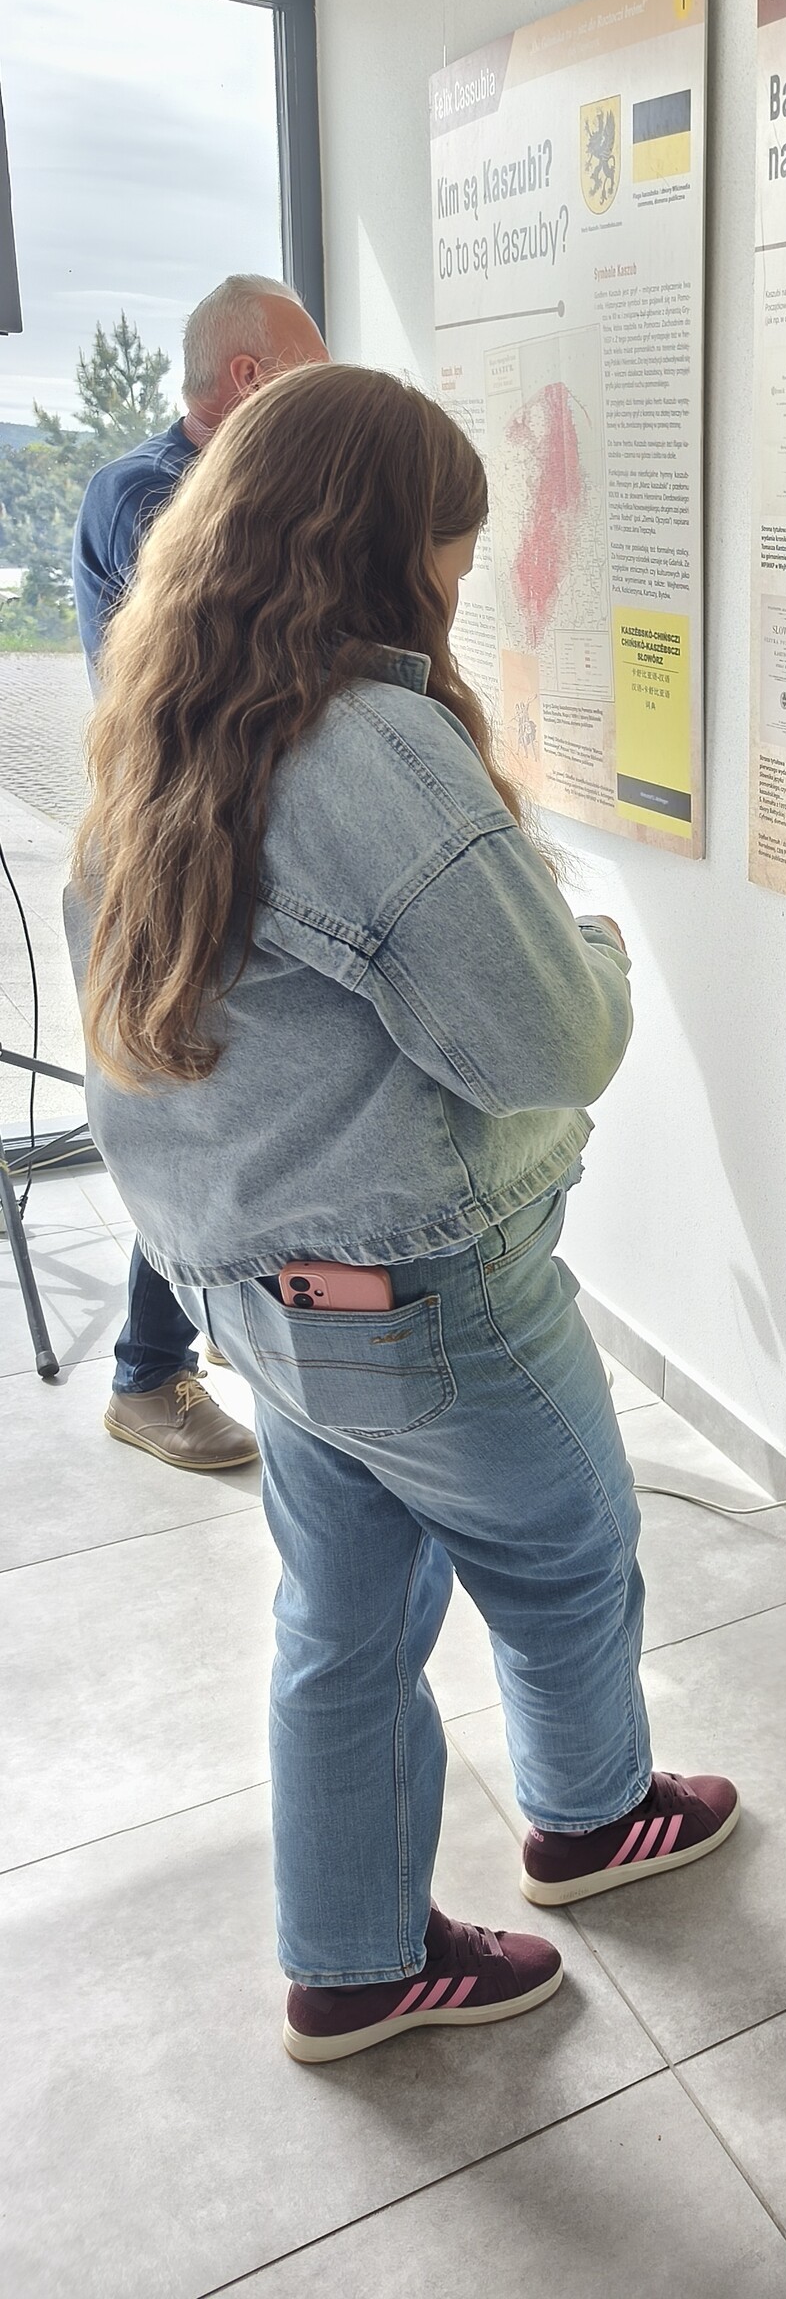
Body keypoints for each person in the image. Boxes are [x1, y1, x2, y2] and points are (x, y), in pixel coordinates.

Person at [68, 364, 738, 2061]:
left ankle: (352, 1962)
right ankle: (595, 1820)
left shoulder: (165, 723)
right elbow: (549, 1040)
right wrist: (595, 946)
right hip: (422, 1301)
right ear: (382, 544)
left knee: (342, 1627)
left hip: (257, 1295)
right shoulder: (366, 745)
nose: (461, 579)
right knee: (570, 1554)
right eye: (454, 546)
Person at [72, 272, 328, 1473]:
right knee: (191, 1103)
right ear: (249, 377)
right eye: (308, 379)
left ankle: (206, 1323)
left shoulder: (230, 489)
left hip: (229, 835)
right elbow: (225, 654)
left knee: (226, 1095)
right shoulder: (146, 495)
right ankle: (146, 1374)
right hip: (174, 849)